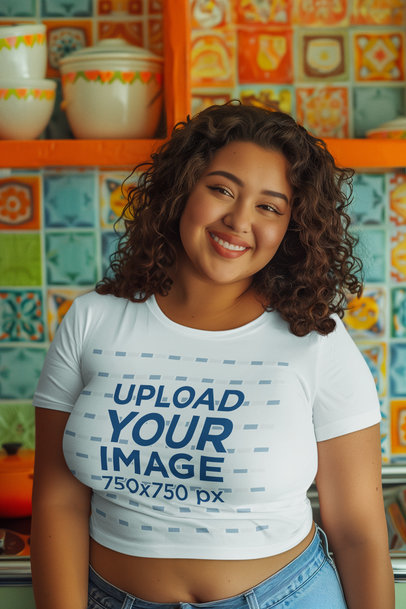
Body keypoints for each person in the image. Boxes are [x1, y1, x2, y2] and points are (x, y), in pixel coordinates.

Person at [31, 102, 395, 609]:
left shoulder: (316, 341)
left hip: (285, 598)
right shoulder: (93, 320)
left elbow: (357, 530)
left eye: (269, 206)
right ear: (182, 190)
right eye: (221, 189)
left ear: (292, 227)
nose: (239, 220)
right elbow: (57, 501)